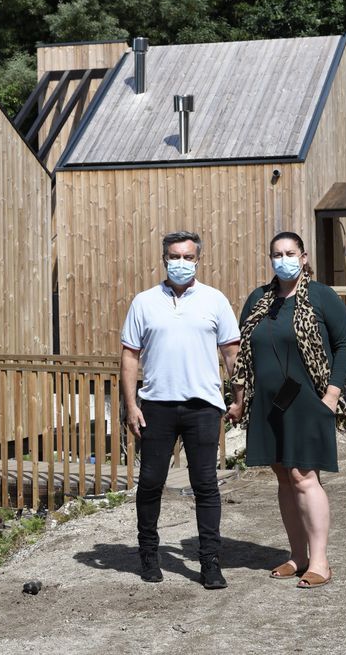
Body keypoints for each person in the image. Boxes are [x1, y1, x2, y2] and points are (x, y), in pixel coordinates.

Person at [226, 231, 346, 589]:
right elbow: (242, 352)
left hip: (308, 400)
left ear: (305, 256)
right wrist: (239, 398)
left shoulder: (321, 297)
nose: (284, 259)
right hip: (267, 402)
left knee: (304, 476)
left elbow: (344, 348)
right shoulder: (259, 299)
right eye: (277, 254)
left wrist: (331, 395)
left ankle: (321, 561)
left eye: (290, 253)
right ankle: (298, 556)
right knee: (283, 476)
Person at [121, 231, 240, 589]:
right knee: (151, 482)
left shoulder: (215, 300)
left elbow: (231, 353)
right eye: (175, 256)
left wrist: (239, 397)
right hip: (156, 405)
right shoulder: (144, 302)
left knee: (205, 485)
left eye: (188, 257)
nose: (181, 263)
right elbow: (130, 356)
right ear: (163, 259)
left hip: (203, 406)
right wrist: (130, 405)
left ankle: (210, 563)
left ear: (198, 260)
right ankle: (148, 555)